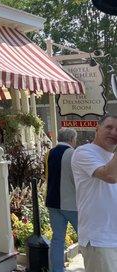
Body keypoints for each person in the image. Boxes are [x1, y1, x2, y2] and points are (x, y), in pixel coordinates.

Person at [71, 114, 117, 271]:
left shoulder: (113, 157)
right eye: (109, 127)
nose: (114, 132)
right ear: (97, 128)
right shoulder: (84, 152)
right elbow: (109, 176)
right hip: (100, 240)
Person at [45, 128, 78, 272]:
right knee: (86, 238)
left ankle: (57, 270)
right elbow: (77, 179)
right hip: (72, 203)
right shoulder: (73, 154)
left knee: (57, 239)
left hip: (52, 202)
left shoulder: (49, 153)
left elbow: (46, 175)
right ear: (72, 139)